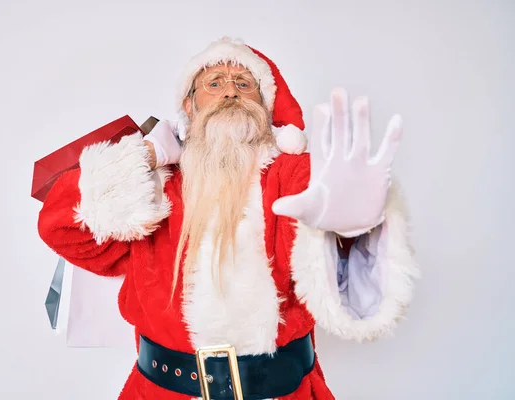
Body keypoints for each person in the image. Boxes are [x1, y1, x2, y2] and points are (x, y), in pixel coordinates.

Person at [37, 37, 419, 400]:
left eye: (244, 84)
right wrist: (143, 157)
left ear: (266, 105)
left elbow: (325, 205)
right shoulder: (155, 187)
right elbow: (63, 227)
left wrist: (353, 225)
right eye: (214, 83)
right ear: (189, 106)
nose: (230, 92)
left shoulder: (290, 173)